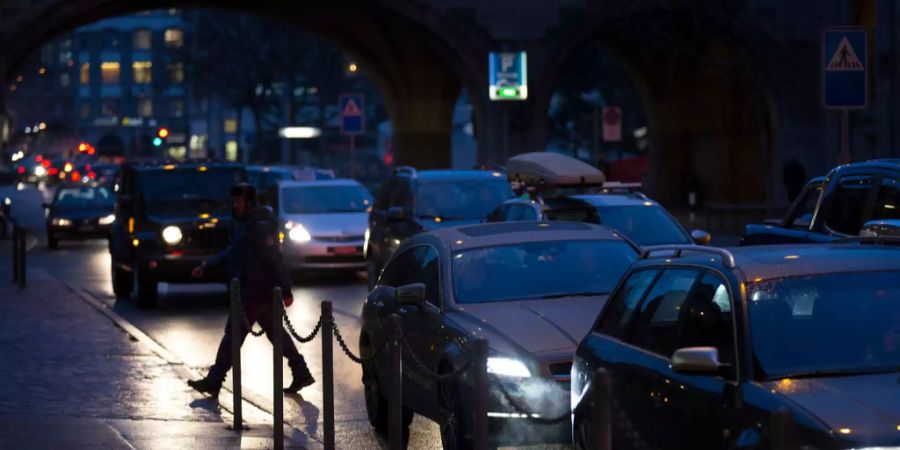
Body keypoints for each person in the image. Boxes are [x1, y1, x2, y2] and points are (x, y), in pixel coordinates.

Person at [187, 183, 314, 397]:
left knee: (232, 336)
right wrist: (207, 266)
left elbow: (274, 257)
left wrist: (286, 289)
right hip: (254, 289)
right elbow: (233, 251)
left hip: (255, 291)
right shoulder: (245, 223)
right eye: (234, 202)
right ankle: (300, 371)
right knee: (276, 335)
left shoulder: (259, 224)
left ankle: (215, 379)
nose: (235, 206)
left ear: (249, 201)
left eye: (238, 201)